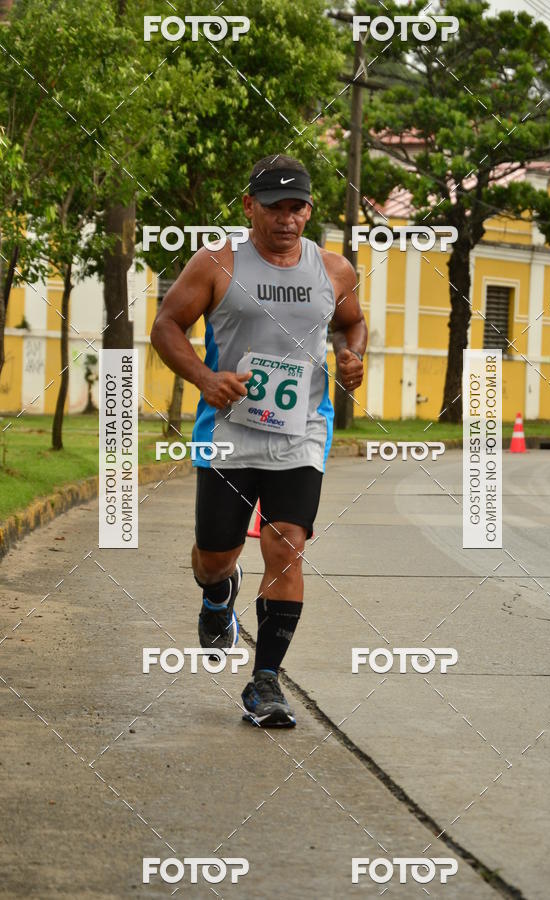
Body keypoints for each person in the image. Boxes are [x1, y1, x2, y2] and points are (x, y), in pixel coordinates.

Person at [150, 154, 367, 727]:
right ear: (250, 207)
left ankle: (265, 681)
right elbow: (166, 325)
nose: (287, 219)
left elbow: (352, 321)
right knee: (214, 556)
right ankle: (218, 593)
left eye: (298, 208)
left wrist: (354, 356)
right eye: (275, 207)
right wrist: (204, 377)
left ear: (309, 210)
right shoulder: (217, 264)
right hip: (228, 432)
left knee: (286, 545)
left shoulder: (335, 270)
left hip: (302, 434)